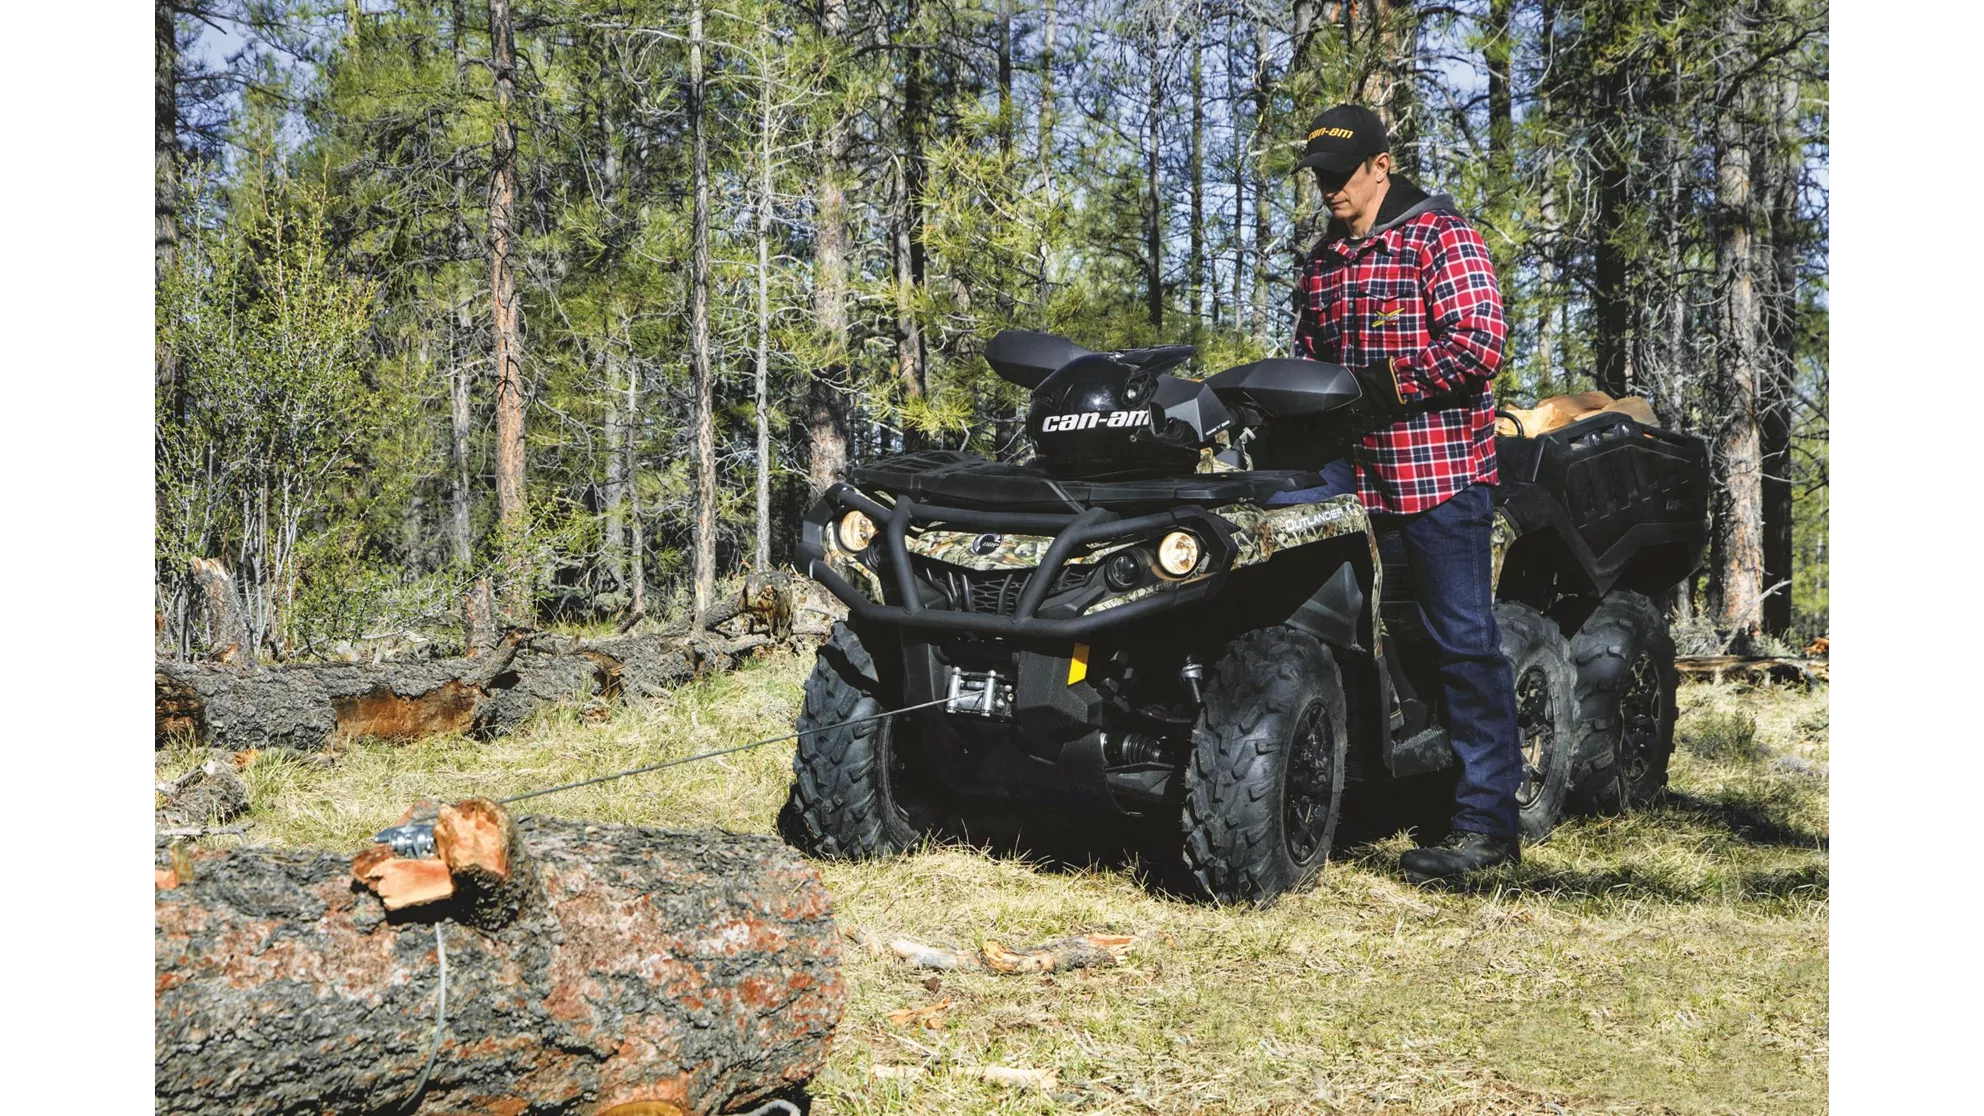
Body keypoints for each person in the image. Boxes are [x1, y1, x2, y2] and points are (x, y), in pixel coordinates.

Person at [1270, 103, 1521, 884]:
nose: (1328, 191)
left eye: (1340, 176)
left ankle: (1487, 825)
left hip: (1437, 470)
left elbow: (1479, 343)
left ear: (1382, 164)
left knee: (1462, 641)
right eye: (1317, 178)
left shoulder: (1443, 237)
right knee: (1302, 614)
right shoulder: (1324, 259)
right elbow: (1311, 360)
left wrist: (1390, 385)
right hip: (1350, 474)